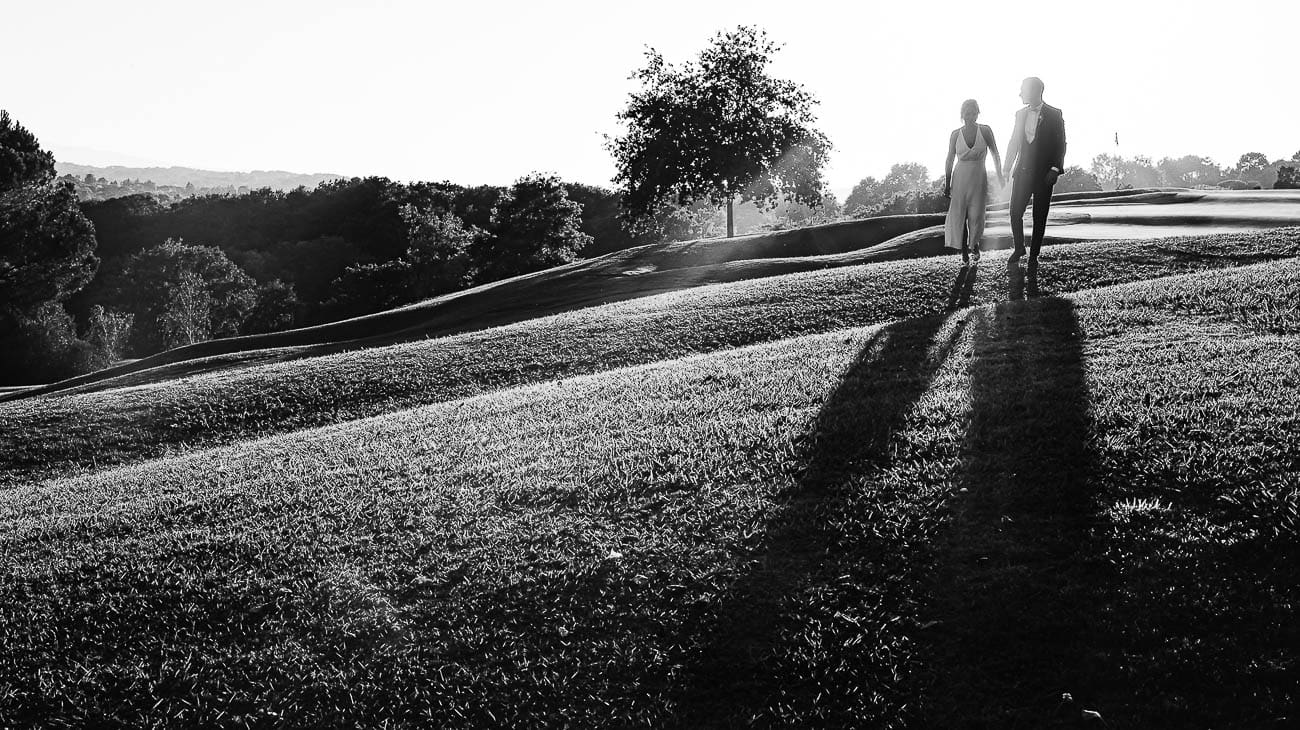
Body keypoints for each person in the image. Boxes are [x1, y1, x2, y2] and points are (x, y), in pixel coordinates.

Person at [1003, 77, 1066, 268]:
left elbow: (1061, 143)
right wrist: (1007, 166)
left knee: (1040, 216)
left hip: (1045, 175)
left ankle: (1034, 255)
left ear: (1036, 91)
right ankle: (1019, 247)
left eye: (1023, 89)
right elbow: (1014, 141)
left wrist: (1055, 169)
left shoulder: (1055, 114)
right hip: (1022, 172)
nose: (1020, 93)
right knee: (1015, 212)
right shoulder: (1020, 114)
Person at [944, 99, 1003, 265]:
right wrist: (947, 183)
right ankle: (964, 251)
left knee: (976, 215)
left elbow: (995, 154)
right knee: (960, 215)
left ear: (978, 113)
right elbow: (949, 159)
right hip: (960, 177)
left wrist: (1000, 176)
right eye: (967, 113)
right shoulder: (955, 134)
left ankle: (974, 244)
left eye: (973, 113)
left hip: (978, 177)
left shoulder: (985, 130)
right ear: (962, 115)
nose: (970, 116)